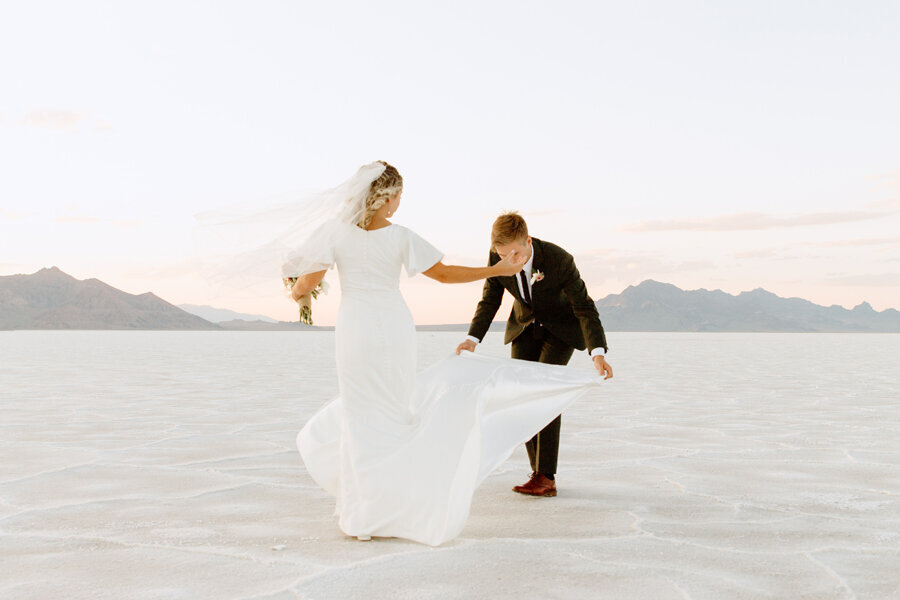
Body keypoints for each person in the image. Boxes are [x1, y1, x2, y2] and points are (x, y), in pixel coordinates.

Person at [289, 161, 602, 546]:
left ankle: (362, 514)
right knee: (395, 410)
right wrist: (494, 273)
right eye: (399, 195)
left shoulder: (333, 233)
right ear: (387, 197)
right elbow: (445, 274)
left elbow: (305, 283)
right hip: (395, 328)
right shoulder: (401, 236)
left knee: (360, 413)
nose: (400, 202)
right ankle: (392, 506)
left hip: (355, 328)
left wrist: (296, 292)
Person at [456, 212, 612, 498]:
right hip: (524, 329)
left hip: (561, 330)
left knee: (545, 393)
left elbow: (584, 307)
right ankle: (537, 472)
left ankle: (546, 477)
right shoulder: (497, 259)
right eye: (503, 255)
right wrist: (471, 339)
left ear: (527, 241)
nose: (510, 260)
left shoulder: (558, 259)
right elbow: (490, 300)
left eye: (516, 253)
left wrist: (597, 352)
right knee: (523, 397)